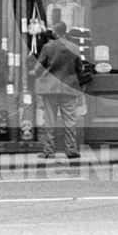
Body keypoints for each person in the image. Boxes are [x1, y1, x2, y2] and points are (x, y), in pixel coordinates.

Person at [33, 21, 86, 160]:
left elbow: (38, 69)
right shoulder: (74, 47)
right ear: (65, 31)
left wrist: (33, 72)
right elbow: (80, 70)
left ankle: (49, 151)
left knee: (49, 120)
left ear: (55, 33)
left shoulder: (48, 47)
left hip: (50, 88)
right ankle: (71, 150)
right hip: (69, 88)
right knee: (70, 120)